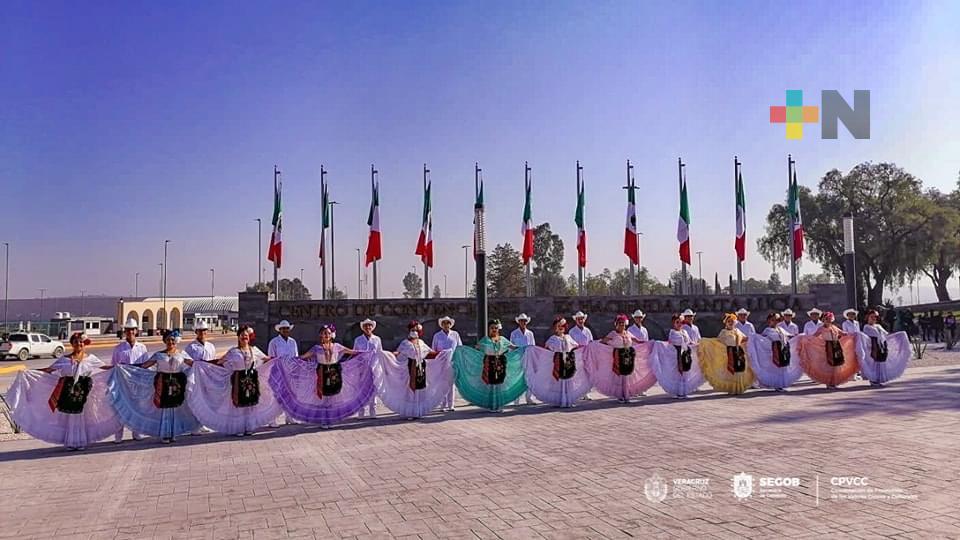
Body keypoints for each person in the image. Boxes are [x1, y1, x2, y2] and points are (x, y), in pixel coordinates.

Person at [7, 332, 121, 450]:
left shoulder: (90, 359)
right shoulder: (65, 359)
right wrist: (29, 372)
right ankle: (71, 442)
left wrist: (118, 368)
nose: (79, 344)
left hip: (83, 393)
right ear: (72, 344)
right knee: (70, 418)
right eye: (76, 342)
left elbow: (104, 367)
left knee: (81, 417)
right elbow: (49, 370)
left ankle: (80, 442)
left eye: (81, 342)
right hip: (68, 393)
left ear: (84, 344)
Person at [186, 325, 282, 437]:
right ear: (238, 337)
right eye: (242, 335)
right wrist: (200, 363)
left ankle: (249, 427)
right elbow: (219, 362)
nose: (244, 337)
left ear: (249, 337)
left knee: (250, 404)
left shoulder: (254, 350)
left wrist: (279, 360)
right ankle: (238, 428)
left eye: (246, 335)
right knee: (238, 404)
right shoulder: (233, 351)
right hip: (238, 380)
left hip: (251, 379)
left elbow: (266, 359)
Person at [109, 330, 200, 444]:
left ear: (176, 341)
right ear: (164, 341)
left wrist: (208, 365)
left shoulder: (182, 354)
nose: (170, 342)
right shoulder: (159, 355)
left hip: (177, 384)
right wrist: (124, 367)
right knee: (165, 409)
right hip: (163, 384)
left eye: (172, 340)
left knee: (175, 410)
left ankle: (173, 433)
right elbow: (144, 365)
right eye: (168, 340)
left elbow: (194, 364)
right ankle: (165, 434)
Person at [378, 321, 451, 420]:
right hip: (410, 368)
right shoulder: (405, 343)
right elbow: (398, 353)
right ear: (409, 331)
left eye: (416, 330)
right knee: (411, 390)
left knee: (420, 389)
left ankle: (418, 411)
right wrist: (387, 354)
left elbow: (429, 353)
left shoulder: (421, 343)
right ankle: (410, 412)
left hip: (421, 368)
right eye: (412, 330)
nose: (414, 332)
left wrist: (444, 353)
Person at [451, 319, 526, 412]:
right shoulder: (485, 340)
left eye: (496, 328)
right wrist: (464, 351)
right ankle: (492, 406)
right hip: (489, 364)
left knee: (499, 386)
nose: (494, 329)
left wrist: (524, 348)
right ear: (489, 329)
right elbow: (476, 349)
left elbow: (513, 347)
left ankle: (497, 405)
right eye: (492, 328)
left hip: (500, 364)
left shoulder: (502, 339)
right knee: (491, 386)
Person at [522, 316, 591, 407]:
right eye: (559, 326)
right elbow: (546, 350)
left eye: (562, 326)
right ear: (555, 328)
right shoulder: (553, 339)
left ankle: (568, 401)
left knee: (568, 381)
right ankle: (559, 401)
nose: (561, 327)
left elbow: (576, 346)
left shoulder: (568, 337)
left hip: (567, 361)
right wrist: (533, 349)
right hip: (558, 363)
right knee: (559, 383)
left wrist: (587, 348)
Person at [590, 314, 655, 403]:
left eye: (623, 323)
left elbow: (637, 341)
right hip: (617, 356)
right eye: (620, 323)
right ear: (616, 324)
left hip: (627, 356)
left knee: (627, 376)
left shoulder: (628, 333)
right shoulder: (613, 334)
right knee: (619, 376)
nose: (621, 325)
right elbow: (602, 342)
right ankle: (620, 395)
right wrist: (600, 347)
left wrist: (650, 343)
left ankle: (626, 395)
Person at [795, 312, 859, 388]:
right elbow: (814, 336)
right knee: (829, 365)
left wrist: (853, 334)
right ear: (823, 320)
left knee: (836, 365)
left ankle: (834, 382)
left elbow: (842, 333)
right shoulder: (821, 328)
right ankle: (829, 383)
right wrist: (805, 338)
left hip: (836, 346)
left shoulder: (834, 327)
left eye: (829, 319)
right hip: (828, 347)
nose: (828, 321)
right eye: (826, 319)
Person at [110, 318, 149, 442]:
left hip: (137, 382)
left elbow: (146, 365)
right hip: (123, 382)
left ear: (136, 331)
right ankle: (118, 435)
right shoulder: (119, 348)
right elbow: (114, 365)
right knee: (121, 407)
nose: (130, 332)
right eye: (128, 330)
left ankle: (136, 432)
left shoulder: (142, 348)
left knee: (137, 407)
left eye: (132, 329)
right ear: (125, 331)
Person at [697, 313, 756, 394]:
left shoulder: (737, 331)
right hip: (729, 353)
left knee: (739, 370)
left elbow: (744, 338)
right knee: (731, 371)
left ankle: (739, 388)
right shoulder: (723, 332)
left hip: (738, 352)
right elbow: (718, 342)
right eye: (729, 321)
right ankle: (732, 389)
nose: (731, 323)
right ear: (726, 323)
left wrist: (752, 338)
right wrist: (706, 342)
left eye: (732, 321)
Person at [650, 314, 704, 399]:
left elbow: (689, 342)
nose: (679, 324)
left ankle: (683, 391)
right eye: (677, 322)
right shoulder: (673, 332)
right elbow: (677, 343)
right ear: (673, 323)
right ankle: (678, 392)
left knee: (685, 372)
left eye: (681, 322)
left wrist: (698, 345)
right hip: (676, 355)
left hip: (684, 354)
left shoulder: (684, 332)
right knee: (677, 373)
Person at [747, 312, 803, 391]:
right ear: (769, 321)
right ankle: (777, 385)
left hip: (782, 351)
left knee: (782, 368)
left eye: (777, 320)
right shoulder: (767, 330)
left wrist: (798, 337)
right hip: (773, 353)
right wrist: (754, 337)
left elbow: (788, 336)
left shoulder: (780, 329)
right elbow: (763, 340)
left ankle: (780, 385)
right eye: (773, 320)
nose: (775, 322)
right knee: (775, 369)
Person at [858, 308, 910, 387]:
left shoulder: (878, 326)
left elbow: (886, 335)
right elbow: (868, 337)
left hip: (881, 346)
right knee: (874, 364)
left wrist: (899, 335)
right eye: (872, 316)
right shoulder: (867, 327)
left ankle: (878, 379)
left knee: (880, 363)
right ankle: (873, 380)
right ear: (868, 317)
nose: (874, 318)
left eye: (875, 317)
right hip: (873, 348)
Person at [184, 320, 216, 434]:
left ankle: (203, 424)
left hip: (207, 378)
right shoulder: (191, 347)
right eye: (200, 331)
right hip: (196, 377)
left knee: (206, 401)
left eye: (204, 330)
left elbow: (212, 361)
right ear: (196, 332)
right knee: (195, 400)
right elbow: (186, 361)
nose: (202, 333)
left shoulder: (211, 346)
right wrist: (196, 365)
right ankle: (194, 426)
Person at [267, 320, 299, 426]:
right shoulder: (274, 342)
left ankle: (289, 417)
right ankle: (272, 419)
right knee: (276, 396)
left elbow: (295, 356)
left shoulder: (293, 342)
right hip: (278, 371)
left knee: (290, 395)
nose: (285, 330)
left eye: (287, 328)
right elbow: (271, 357)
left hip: (290, 371)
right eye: (283, 328)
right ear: (279, 330)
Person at [431, 316, 462, 411]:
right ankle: (442, 404)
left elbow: (459, 347)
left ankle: (451, 404)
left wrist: (458, 359)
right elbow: (433, 349)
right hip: (441, 362)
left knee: (451, 384)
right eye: (444, 323)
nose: (446, 325)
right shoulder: (437, 336)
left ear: (450, 324)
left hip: (452, 361)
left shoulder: (455, 334)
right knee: (441, 384)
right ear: (441, 325)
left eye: (448, 323)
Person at [353, 319, 382, 419]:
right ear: (363, 328)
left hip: (374, 367)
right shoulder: (358, 340)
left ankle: (373, 411)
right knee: (361, 390)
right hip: (362, 368)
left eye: (370, 326)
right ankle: (361, 412)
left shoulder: (377, 339)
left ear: (372, 327)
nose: (368, 327)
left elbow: (380, 353)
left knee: (373, 390)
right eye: (366, 326)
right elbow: (355, 353)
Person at [509, 314, 536, 405]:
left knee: (529, 378)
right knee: (517, 378)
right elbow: (511, 346)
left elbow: (533, 346)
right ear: (518, 322)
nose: (523, 322)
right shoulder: (514, 333)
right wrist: (512, 357)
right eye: (521, 321)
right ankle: (516, 399)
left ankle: (529, 398)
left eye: (524, 321)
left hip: (528, 357)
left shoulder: (530, 333)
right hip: (518, 358)